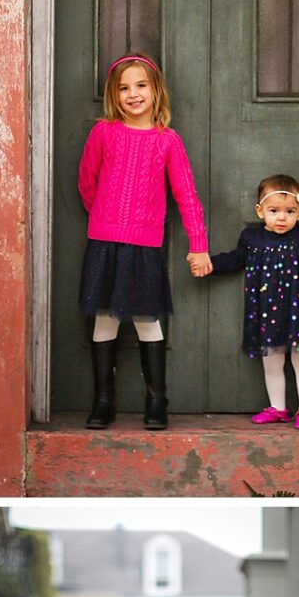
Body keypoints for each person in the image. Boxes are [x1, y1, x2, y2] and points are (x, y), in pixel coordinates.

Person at [77, 53, 209, 428]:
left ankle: (157, 401)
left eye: (141, 86)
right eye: (124, 88)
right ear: (113, 95)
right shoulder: (103, 132)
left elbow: (186, 194)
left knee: (146, 319)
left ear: (155, 92)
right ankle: (103, 400)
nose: (133, 94)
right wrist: (105, 217)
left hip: (145, 245)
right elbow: (88, 181)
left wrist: (198, 244)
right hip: (104, 241)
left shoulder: (168, 142)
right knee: (104, 320)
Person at [202, 174, 299, 430]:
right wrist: (210, 263)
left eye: (289, 211)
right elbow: (235, 259)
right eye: (274, 210)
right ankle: (278, 408)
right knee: (273, 362)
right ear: (260, 210)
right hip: (267, 314)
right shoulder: (252, 238)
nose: (281, 217)